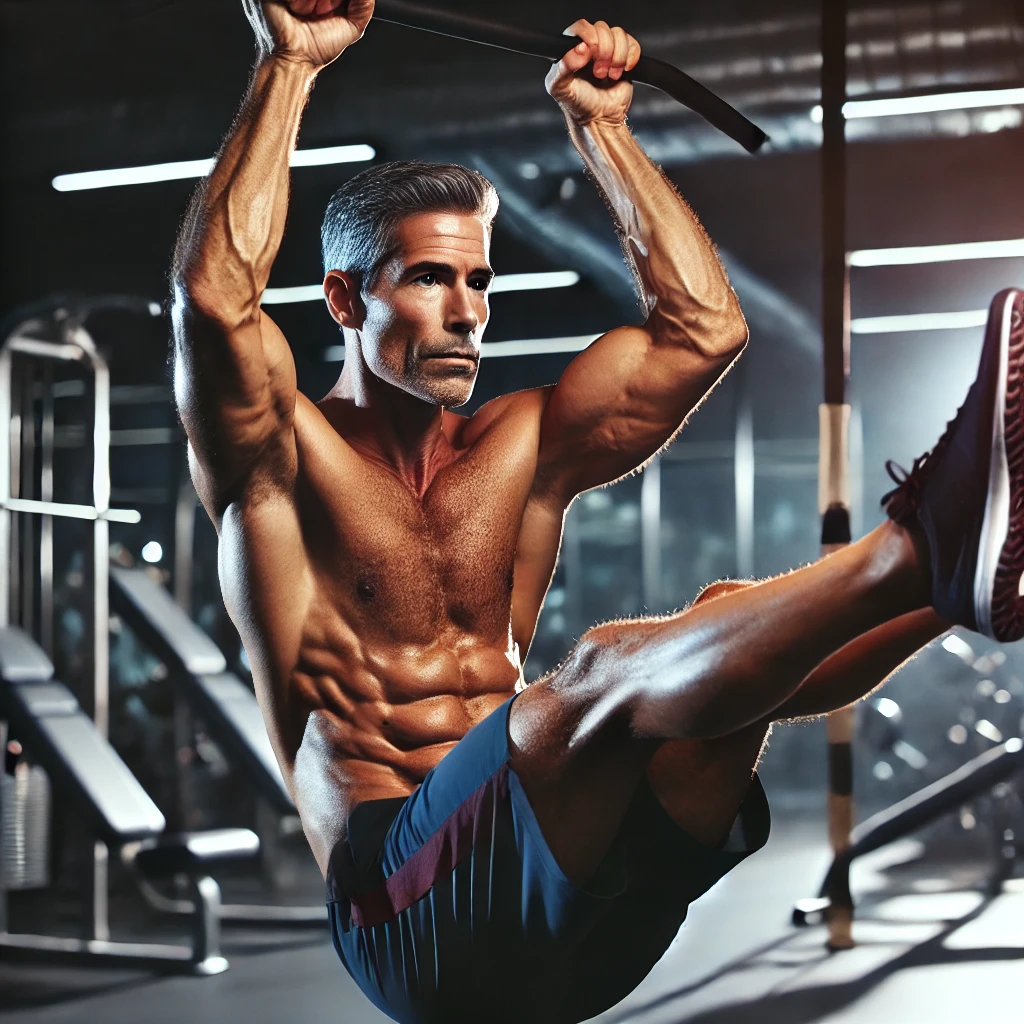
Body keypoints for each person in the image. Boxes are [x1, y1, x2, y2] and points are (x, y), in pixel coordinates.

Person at [170, 1, 1024, 1021]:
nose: (468, 311)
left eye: (479, 281)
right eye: (430, 279)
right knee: (603, 670)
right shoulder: (278, 457)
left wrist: (603, 131)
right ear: (347, 302)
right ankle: (925, 542)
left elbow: (702, 333)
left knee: (719, 619)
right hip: (409, 919)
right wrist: (290, 66)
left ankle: (965, 584)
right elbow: (216, 304)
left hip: (578, 916)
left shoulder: (521, 446)